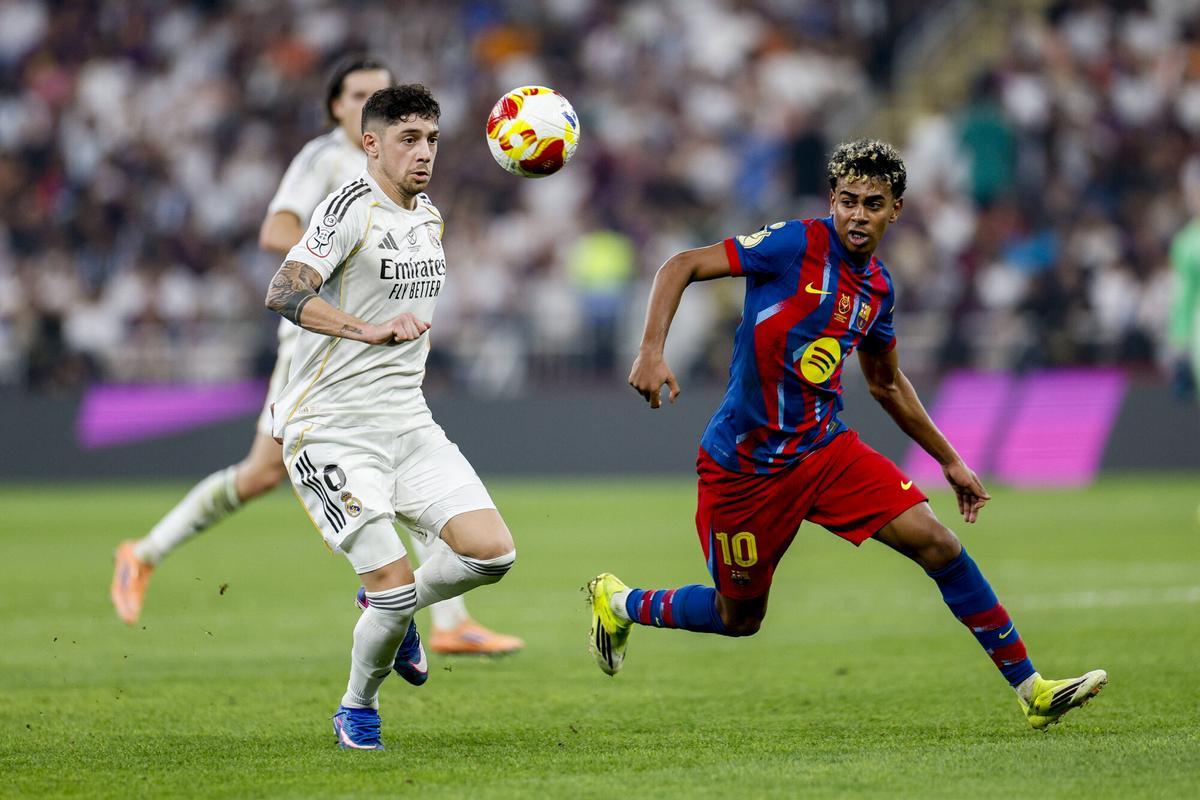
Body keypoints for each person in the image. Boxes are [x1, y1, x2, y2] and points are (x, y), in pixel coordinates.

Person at [587, 139, 1106, 730]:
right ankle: (621, 602)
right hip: (745, 469)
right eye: (849, 201)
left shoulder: (877, 290)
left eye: (874, 203)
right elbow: (680, 265)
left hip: (824, 451)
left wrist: (951, 460)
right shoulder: (792, 244)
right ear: (832, 201)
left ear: (896, 210)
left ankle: (1031, 689)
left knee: (937, 543)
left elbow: (886, 384)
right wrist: (651, 351)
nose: (859, 214)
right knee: (739, 618)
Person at [109, 57, 522, 657]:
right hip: (317, 344)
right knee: (264, 474)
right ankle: (143, 553)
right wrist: (332, 248)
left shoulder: (413, 189)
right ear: (337, 106)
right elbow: (277, 236)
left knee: (386, 460)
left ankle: (438, 615)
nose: (367, 102)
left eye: (377, 94)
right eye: (357, 94)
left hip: (369, 353)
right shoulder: (324, 162)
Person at [264, 83, 517, 750]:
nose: (424, 151)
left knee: (494, 555)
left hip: (408, 422)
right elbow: (284, 289)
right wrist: (363, 330)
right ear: (371, 144)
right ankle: (356, 708)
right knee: (394, 587)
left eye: (432, 138)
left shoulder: (428, 217)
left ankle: (391, 611)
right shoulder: (349, 207)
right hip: (331, 429)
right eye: (408, 138)